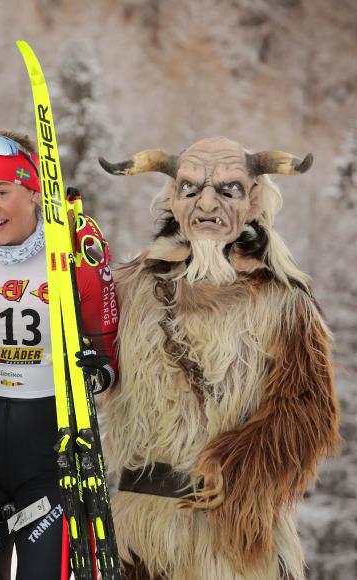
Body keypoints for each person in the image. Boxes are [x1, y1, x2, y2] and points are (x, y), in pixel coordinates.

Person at [98, 137, 339, 580]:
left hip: (235, 539)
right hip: (142, 536)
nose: (206, 203)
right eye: (190, 189)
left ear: (253, 200)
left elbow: (309, 410)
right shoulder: (128, 287)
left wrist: (235, 463)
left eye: (226, 190)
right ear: (173, 199)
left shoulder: (284, 301)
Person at [0, 131, 118, 580]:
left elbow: (109, 354)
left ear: (34, 192)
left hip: (48, 457)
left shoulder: (72, 253)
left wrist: (99, 372)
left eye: (3, 192)